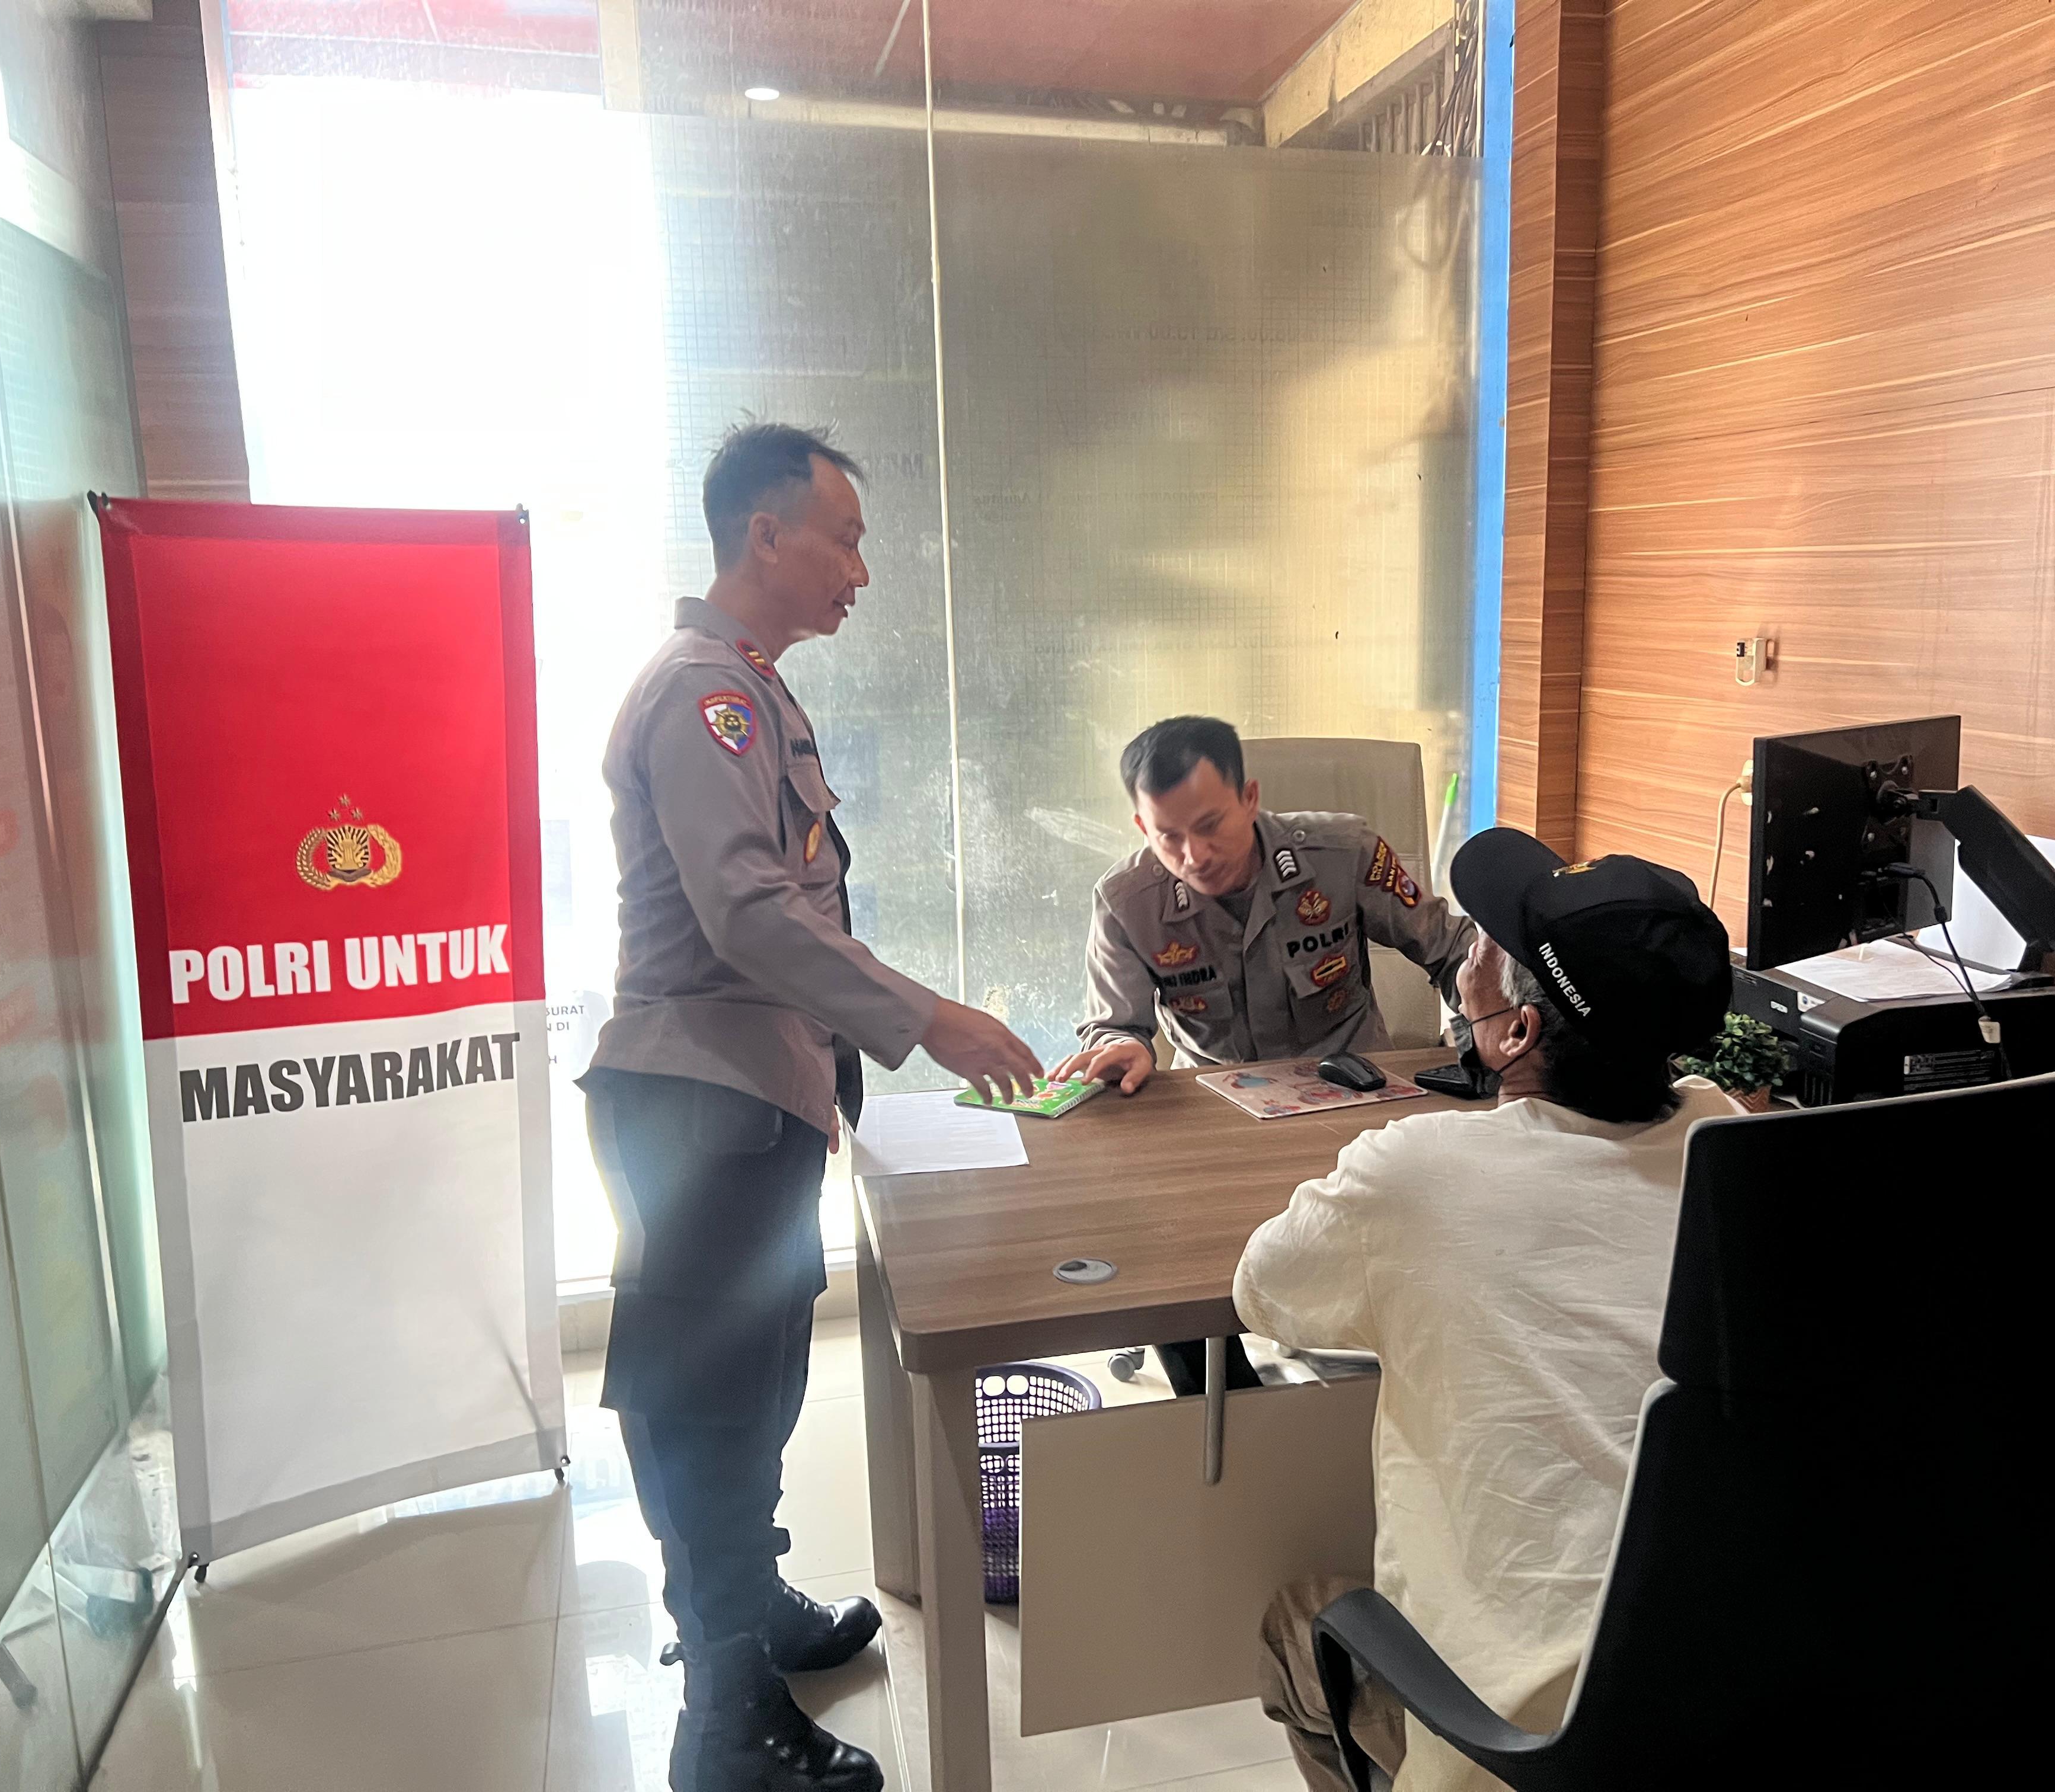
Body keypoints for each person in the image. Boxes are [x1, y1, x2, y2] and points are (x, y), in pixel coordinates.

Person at [582, 423, 1041, 1792]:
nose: (861, 570)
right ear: (765, 533)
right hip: (700, 1104)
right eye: (844, 538)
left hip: (749, 1100)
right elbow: (746, 913)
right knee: (710, 1408)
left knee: (759, 1384)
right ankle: (727, 1721)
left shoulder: (754, 691)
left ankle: (751, 1608)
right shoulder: (705, 696)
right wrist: (928, 1018)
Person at [1235, 831, 1738, 1792]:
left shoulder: (1416, 1172)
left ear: (1515, 1033)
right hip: (1739, 1709)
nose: (1467, 961)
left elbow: (1265, 1289)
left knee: (1297, 1620)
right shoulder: (1728, 1140)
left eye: (1487, 951)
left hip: (1525, 1752)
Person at [1047, 714, 1476, 1393]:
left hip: (1358, 1116)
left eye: (1211, 825)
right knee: (1162, 1247)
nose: (1194, 854)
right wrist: (1123, 1047)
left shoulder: (1344, 855)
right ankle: (1229, 1413)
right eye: (1168, 836)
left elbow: (1459, 953)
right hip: (1220, 1129)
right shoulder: (1127, 902)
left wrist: (1482, 1042)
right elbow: (1112, 1027)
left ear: (1250, 798)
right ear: (1141, 827)